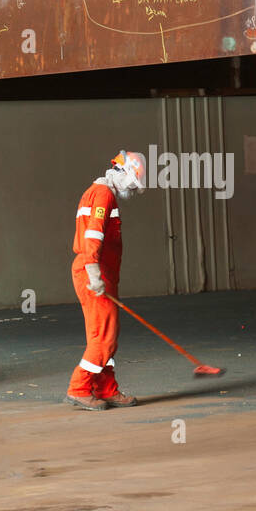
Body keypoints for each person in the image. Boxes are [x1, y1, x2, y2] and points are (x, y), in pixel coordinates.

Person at [66, 151, 147, 411]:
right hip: (94, 271)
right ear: (121, 172)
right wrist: (93, 271)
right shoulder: (104, 195)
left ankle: (105, 388)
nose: (133, 191)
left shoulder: (99, 192)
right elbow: (93, 234)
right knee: (106, 337)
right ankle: (79, 388)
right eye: (133, 184)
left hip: (99, 272)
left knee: (100, 335)